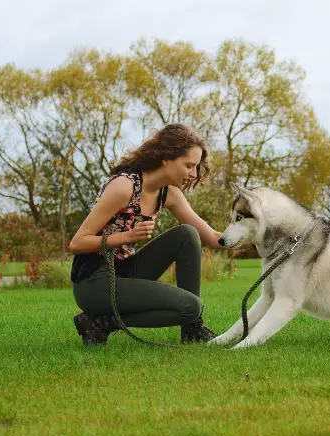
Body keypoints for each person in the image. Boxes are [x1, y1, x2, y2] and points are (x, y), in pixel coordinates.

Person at [69, 123, 223, 346]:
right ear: (166, 158)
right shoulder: (124, 186)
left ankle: (192, 331)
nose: (194, 174)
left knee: (187, 235)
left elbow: (210, 236)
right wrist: (125, 237)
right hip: (95, 280)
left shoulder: (168, 193)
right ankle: (99, 322)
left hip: (127, 270)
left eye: (197, 167)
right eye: (189, 165)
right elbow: (77, 243)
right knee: (190, 306)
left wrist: (255, 235)